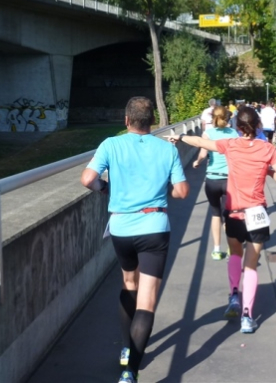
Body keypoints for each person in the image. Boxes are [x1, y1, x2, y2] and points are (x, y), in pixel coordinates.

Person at [80, 97, 190, 383]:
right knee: (147, 300)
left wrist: (104, 187)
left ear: (126, 120)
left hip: (121, 228)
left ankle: (126, 349)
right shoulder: (167, 149)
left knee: (129, 283)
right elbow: (182, 192)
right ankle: (130, 372)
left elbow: (87, 179)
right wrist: (165, 190)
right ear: (152, 121)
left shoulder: (110, 144)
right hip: (154, 227)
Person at [168, 107, 276, 333]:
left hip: (234, 212)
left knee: (235, 254)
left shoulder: (231, 145)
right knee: (251, 265)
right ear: (258, 125)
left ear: (238, 127)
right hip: (257, 213)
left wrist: (181, 136)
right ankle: (247, 316)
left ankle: (234, 294)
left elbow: (202, 142)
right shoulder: (268, 149)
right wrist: (267, 171)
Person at [192, 105, 239, 260]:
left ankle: (217, 250)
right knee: (229, 215)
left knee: (215, 214)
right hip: (229, 179)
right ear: (227, 117)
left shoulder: (208, 134)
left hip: (212, 179)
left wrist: (198, 161)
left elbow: (203, 153)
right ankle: (231, 248)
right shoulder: (233, 133)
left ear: (213, 118)